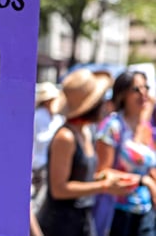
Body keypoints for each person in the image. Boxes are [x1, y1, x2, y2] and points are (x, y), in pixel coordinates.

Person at [37, 69, 138, 236]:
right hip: (61, 224)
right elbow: (59, 189)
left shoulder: (86, 131)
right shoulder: (66, 137)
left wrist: (110, 178)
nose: (107, 105)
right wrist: (104, 186)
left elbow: (83, 176)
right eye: (102, 100)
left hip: (81, 219)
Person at [96, 70, 156, 236]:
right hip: (119, 213)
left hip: (146, 212)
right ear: (122, 95)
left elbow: (149, 167)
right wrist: (143, 181)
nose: (143, 93)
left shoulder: (146, 127)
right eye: (136, 89)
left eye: (146, 88)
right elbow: (102, 173)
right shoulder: (112, 127)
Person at [31, 82, 64, 213]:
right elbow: (40, 138)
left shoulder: (56, 117)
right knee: (40, 198)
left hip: (50, 163)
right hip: (41, 162)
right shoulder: (39, 116)